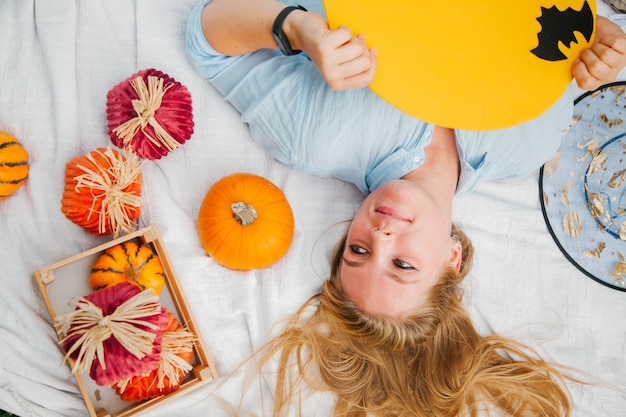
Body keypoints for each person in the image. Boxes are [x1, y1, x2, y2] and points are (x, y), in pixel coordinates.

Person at [186, 0, 626, 415]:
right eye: (401, 264)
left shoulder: (313, 136)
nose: (379, 237)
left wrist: (293, 28)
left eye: (357, 253)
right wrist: (595, 37)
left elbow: (205, 42)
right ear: (452, 259)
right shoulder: (532, 143)